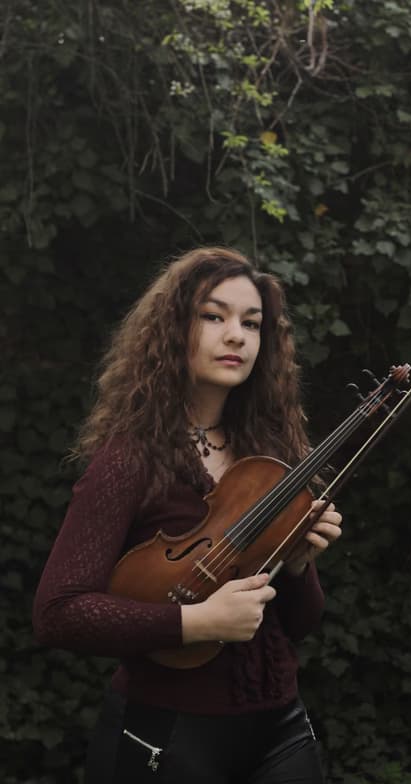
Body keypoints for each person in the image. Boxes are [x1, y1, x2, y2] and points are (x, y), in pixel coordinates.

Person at [33, 246, 342, 784]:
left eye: (252, 323)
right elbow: (59, 611)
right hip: (167, 736)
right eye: (213, 316)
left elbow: (297, 624)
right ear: (175, 328)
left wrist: (296, 564)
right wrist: (195, 622)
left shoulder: (266, 455)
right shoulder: (131, 459)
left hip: (281, 728)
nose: (236, 336)